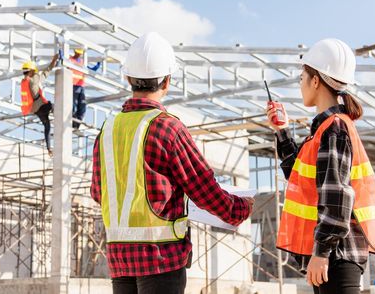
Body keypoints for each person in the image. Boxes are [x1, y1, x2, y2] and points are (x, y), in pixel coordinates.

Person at [91, 32, 254, 294]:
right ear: (167, 80)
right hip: (161, 260)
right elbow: (204, 189)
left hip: (119, 259)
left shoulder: (107, 130)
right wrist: (239, 209)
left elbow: (99, 193)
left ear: (128, 78)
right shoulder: (168, 128)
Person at [266, 39, 375, 294]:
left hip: (336, 255)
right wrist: (282, 131)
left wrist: (322, 251)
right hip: (333, 254)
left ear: (316, 81)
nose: (300, 83)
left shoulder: (334, 129)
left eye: (302, 77)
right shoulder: (324, 130)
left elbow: (337, 194)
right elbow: (298, 178)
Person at [20, 53, 59, 157]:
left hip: (35, 109)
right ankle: (61, 123)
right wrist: (53, 62)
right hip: (41, 106)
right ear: (32, 71)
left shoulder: (24, 81)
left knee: (47, 126)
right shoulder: (34, 79)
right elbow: (45, 73)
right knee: (55, 106)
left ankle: (49, 149)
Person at [68, 48, 101, 130]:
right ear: (74, 52)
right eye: (77, 53)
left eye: (80, 54)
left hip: (81, 86)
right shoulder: (70, 60)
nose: (78, 55)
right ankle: (73, 122)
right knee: (74, 105)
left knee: (82, 105)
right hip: (73, 85)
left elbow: (89, 70)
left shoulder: (82, 62)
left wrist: (97, 66)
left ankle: (77, 123)